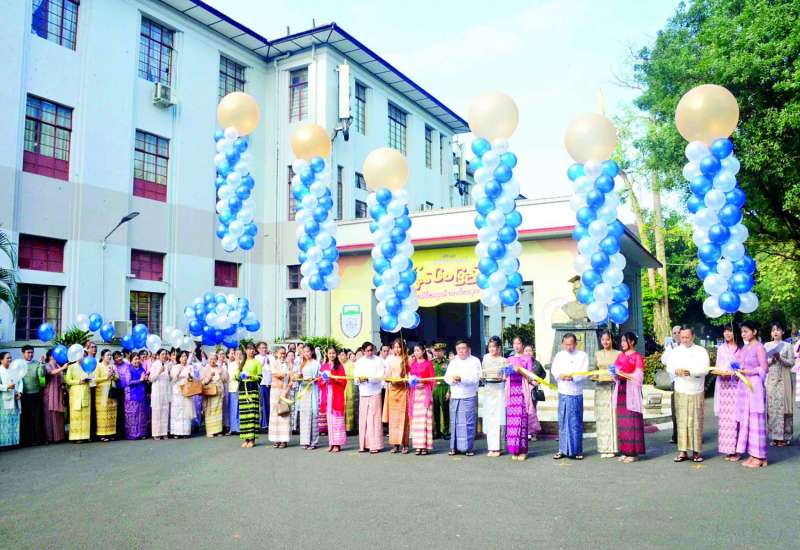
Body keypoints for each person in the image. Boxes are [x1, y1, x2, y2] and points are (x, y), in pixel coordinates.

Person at [665, 326, 709, 463]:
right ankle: (682, 451)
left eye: (687, 337)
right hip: (681, 389)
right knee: (682, 421)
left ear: (693, 336)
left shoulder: (701, 351)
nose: (684, 340)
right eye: (682, 337)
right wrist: (676, 371)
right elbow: (669, 367)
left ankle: (696, 452)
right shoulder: (676, 351)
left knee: (696, 421)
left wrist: (691, 372)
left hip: (696, 389)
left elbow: (705, 369)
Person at [550, 333, 588, 459]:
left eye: (571, 344)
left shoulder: (582, 355)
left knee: (575, 422)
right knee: (563, 421)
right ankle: (562, 449)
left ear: (575, 343)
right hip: (563, 391)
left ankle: (577, 450)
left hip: (575, 392)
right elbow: (554, 370)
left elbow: (584, 372)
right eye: (566, 344)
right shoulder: (559, 355)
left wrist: (573, 377)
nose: (568, 347)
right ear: (562, 344)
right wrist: (560, 376)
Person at [737, 321, 769, 468]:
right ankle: (752, 453)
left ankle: (760, 456)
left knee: (756, 420)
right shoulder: (744, 348)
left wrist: (749, 372)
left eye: (746, 331)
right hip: (744, 385)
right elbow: (740, 364)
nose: (743, 334)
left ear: (754, 332)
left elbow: (764, 368)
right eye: (742, 332)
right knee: (748, 421)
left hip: (755, 385)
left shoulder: (759, 347)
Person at [445, 340, 481, 457]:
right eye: (458, 349)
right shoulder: (453, 362)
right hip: (455, 395)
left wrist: (462, 379)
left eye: (463, 348)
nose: (461, 351)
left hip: (468, 395)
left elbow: (476, 378)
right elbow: (446, 378)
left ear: (468, 349)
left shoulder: (474, 361)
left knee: (468, 423)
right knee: (455, 422)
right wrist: (453, 380)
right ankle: (454, 447)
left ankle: (468, 448)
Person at [613, 332, 646, 463]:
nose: (622, 343)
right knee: (623, 422)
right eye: (621, 341)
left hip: (631, 391)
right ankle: (625, 451)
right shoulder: (620, 355)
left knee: (632, 421)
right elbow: (615, 371)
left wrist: (625, 374)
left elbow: (639, 376)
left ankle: (634, 453)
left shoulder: (637, 356)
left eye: (624, 341)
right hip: (621, 390)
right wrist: (614, 374)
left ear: (631, 342)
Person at [712, 325, 742, 460]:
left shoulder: (741, 348)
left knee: (737, 418)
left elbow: (744, 366)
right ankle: (728, 449)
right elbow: (718, 367)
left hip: (738, 386)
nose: (727, 333)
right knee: (726, 419)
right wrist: (720, 372)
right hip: (724, 387)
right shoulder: (721, 349)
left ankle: (738, 450)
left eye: (730, 331)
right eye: (725, 331)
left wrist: (735, 372)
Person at [764, 322, 794, 446]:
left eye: (778, 329)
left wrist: (780, 358)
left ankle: (784, 437)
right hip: (771, 380)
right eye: (773, 330)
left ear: (782, 332)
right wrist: (772, 359)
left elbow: (791, 362)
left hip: (784, 379)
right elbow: (763, 362)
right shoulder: (766, 345)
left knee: (785, 408)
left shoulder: (788, 346)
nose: (775, 332)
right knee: (772, 407)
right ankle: (774, 436)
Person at [506, 337, 536, 460]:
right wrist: (506, 370)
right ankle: (514, 450)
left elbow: (530, 376)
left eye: (518, 343)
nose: (516, 345)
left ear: (523, 345)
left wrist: (520, 370)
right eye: (514, 343)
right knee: (512, 422)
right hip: (511, 391)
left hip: (522, 391)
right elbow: (505, 374)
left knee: (522, 420)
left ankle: (523, 450)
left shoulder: (527, 358)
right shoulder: (509, 359)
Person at [593, 331, 621, 458]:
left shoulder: (618, 354)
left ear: (612, 340)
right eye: (603, 339)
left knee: (613, 416)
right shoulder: (597, 354)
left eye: (608, 339)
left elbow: (621, 370)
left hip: (613, 386)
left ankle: (614, 447)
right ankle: (603, 448)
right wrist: (594, 377)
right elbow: (595, 369)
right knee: (602, 417)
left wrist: (616, 376)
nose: (605, 342)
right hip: (600, 388)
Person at [354, 342, 384, 454]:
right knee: (364, 419)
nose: (370, 352)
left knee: (374, 419)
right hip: (363, 392)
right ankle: (364, 445)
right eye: (367, 351)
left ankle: (375, 445)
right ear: (363, 351)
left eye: (371, 350)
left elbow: (380, 376)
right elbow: (355, 378)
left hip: (375, 392)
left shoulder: (379, 360)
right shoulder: (359, 362)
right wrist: (359, 379)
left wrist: (368, 379)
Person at [383, 338, 410, 454]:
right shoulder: (389, 359)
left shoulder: (407, 359)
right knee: (394, 420)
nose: (397, 349)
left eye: (399, 347)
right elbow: (387, 375)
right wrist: (389, 379)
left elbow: (410, 375)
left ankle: (405, 444)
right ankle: (395, 444)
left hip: (404, 390)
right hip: (393, 391)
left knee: (404, 419)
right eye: (395, 347)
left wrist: (405, 379)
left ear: (403, 347)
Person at [480, 336, 506, 457]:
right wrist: (482, 377)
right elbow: (482, 374)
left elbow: (506, 376)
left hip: (499, 390)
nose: (491, 349)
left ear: (499, 348)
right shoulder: (485, 358)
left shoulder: (504, 360)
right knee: (489, 418)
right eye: (489, 347)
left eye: (494, 347)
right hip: (489, 389)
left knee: (498, 418)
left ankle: (498, 447)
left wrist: (503, 377)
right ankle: (491, 447)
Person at [408, 343, 435, 455]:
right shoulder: (413, 364)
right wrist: (411, 381)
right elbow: (410, 378)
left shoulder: (428, 364)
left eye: (418, 350)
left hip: (425, 393)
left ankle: (425, 446)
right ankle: (418, 446)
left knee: (425, 420)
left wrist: (424, 382)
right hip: (415, 394)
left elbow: (432, 379)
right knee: (416, 421)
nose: (416, 352)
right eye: (415, 350)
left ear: (423, 351)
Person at [117, 352, 149, 440]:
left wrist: (146, 378)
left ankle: (141, 433)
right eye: (135, 359)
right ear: (131, 360)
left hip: (141, 394)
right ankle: (132, 434)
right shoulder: (128, 369)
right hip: (131, 395)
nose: (137, 361)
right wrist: (140, 380)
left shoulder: (142, 369)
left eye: (138, 359)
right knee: (132, 415)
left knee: (141, 415)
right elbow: (128, 382)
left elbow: (144, 379)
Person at [321, 346, 347, 452]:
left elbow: (344, 380)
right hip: (328, 394)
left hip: (336, 395)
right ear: (326, 354)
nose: (332, 355)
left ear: (336, 354)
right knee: (330, 420)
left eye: (333, 353)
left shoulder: (339, 366)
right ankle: (331, 443)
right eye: (330, 353)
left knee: (337, 420)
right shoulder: (324, 366)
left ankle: (338, 444)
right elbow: (320, 381)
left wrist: (335, 378)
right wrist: (324, 380)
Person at [19, 345, 45, 447]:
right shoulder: (19, 364)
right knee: (26, 418)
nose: (30, 354)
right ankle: (27, 440)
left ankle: (38, 439)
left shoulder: (36, 364)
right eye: (28, 353)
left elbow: (41, 375)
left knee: (37, 417)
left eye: (32, 352)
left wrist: (42, 364)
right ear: (23, 353)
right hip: (24, 395)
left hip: (36, 394)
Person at [661, 325, 682, 444]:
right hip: (675, 381)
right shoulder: (671, 347)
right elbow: (664, 360)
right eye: (674, 333)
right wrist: (670, 349)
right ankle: (676, 435)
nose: (677, 335)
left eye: (679, 332)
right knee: (675, 410)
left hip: (688, 381)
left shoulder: (688, 346)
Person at [238, 343, 263, 448]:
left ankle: (252, 439)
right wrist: (239, 375)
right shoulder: (242, 362)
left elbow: (260, 378)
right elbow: (236, 377)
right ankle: (246, 438)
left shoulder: (257, 363)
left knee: (252, 413)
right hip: (243, 390)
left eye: (253, 349)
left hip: (252, 389)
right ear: (246, 351)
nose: (251, 351)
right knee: (244, 414)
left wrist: (251, 376)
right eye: (249, 349)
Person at [296, 345, 320, 450]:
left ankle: (313, 441)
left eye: (308, 351)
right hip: (304, 391)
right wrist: (298, 378)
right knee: (304, 416)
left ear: (312, 352)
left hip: (313, 390)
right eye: (304, 352)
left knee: (313, 415)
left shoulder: (316, 363)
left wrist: (313, 379)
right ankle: (305, 441)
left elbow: (319, 377)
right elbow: (299, 376)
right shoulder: (302, 364)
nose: (306, 353)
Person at [268, 346, 292, 448]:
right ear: (276, 354)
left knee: (284, 413)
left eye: (284, 353)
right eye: (281, 353)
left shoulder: (288, 364)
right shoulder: (273, 363)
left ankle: (284, 440)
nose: (283, 355)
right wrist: (287, 373)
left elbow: (292, 379)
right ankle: (276, 439)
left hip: (285, 391)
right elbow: (277, 375)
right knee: (274, 414)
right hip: (275, 391)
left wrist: (287, 390)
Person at [65, 356, 91, 443]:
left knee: (85, 415)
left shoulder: (87, 366)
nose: (81, 358)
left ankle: (85, 436)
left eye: (83, 356)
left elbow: (92, 378)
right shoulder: (71, 367)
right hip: (75, 393)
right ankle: (75, 437)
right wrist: (79, 381)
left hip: (85, 392)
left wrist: (89, 379)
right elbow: (68, 380)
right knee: (76, 415)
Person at [43, 350, 67, 443]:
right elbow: (51, 373)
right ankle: (50, 437)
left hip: (58, 391)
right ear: (50, 356)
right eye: (55, 355)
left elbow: (62, 378)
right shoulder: (47, 365)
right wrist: (63, 368)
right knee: (50, 414)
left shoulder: (58, 365)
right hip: (50, 392)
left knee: (59, 414)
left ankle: (59, 436)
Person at [94, 349, 118, 442]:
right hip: (102, 391)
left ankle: (111, 433)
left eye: (110, 355)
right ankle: (102, 434)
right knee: (103, 412)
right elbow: (95, 379)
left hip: (112, 390)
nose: (109, 357)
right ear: (102, 357)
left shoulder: (112, 366)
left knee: (112, 412)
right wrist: (106, 377)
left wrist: (113, 375)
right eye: (107, 355)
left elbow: (117, 377)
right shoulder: (98, 366)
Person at [200, 353, 226, 437]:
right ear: (208, 360)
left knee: (218, 411)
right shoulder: (205, 369)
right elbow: (202, 382)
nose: (212, 361)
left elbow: (225, 380)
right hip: (209, 393)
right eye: (211, 359)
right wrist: (209, 377)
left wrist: (221, 374)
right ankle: (210, 431)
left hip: (218, 392)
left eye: (214, 359)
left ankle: (218, 431)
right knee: (209, 411)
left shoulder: (219, 368)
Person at [170, 350, 194, 439]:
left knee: (186, 410)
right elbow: (173, 380)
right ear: (179, 358)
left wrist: (190, 377)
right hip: (177, 391)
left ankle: (185, 432)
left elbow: (192, 379)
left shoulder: (190, 367)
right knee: (177, 411)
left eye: (185, 356)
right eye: (182, 356)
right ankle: (176, 432)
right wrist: (179, 372)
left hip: (186, 390)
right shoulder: (175, 367)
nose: (184, 358)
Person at [0, 352, 23, 447]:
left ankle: (14, 442)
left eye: (10, 358)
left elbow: (20, 382)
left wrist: (20, 392)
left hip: (15, 398)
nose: (10, 360)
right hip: (3, 400)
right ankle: (4, 443)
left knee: (14, 420)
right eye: (7, 358)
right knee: (4, 421)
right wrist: (6, 387)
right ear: (1, 360)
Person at [523, 344, 545, 441]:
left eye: (530, 351)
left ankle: (533, 432)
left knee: (533, 411)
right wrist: (530, 381)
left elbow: (543, 373)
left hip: (533, 391)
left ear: (533, 352)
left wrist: (538, 381)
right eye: (526, 351)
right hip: (524, 389)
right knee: (524, 411)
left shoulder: (536, 363)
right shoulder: (521, 363)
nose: (528, 353)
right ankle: (526, 432)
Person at [149, 349, 171, 440]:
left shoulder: (168, 364)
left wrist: (169, 373)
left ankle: (164, 432)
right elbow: (151, 379)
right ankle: (156, 433)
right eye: (162, 354)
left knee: (165, 411)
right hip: (157, 391)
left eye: (165, 354)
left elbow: (169, 379)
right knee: (157, 412)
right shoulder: (154, 364)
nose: (164, 356)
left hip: (165, 391)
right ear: (158, 355)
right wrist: (159, 372)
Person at [431, 343, 450, 439]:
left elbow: (451, 377)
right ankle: (437, 431)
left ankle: (446, 432)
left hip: (444, 387)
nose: (437, 353)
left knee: (445, 410)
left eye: (440, 350)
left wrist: (449, 391)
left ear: (444, 351)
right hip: (434, 389)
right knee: (435, 411)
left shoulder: (448, 362)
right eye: (436, 350)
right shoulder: (431, 363)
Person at [341, 349, 358, 433]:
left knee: (350, 407)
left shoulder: (351, 364)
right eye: (340, 355)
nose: (341, 357)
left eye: (343, 355)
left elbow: (353, 375)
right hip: (341, 388)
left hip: (349, 388)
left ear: (346, 356)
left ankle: (350, 428)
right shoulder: (338, 365)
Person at [256, 341, 271, 434]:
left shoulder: (271, 357)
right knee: (263, 405)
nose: (264, 349)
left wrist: (269, 363)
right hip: (262, 384)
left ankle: (270, 424)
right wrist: (261, 364)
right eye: (262, 348)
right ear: (258, 349)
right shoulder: (256, 358)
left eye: (265, 347)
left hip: (271, 384)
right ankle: (264, 424)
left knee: (271, 404)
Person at [225, 349, 241, 435]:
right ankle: (233, 428)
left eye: (239, 354)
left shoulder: (243, 363)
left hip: (241, 388)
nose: (238, 355)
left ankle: (239, 428)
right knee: (233, 408)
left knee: (240, 408)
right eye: (236, 354)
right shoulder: (231, 364)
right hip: (233, 388)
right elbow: (230, 377)